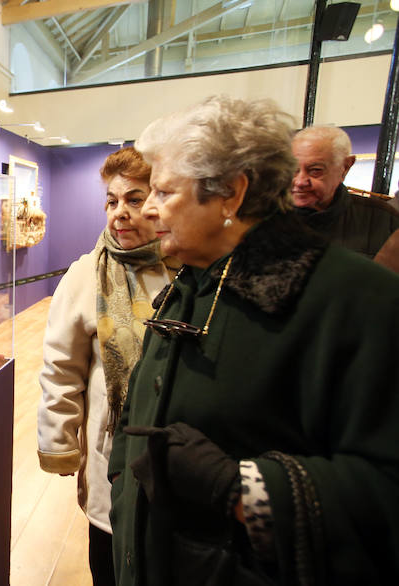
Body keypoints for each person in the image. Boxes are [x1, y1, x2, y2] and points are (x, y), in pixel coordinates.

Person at [109, 96, 399, 586]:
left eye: (164, 192)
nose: (149, 209)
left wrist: (240, 490)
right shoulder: (196, 279)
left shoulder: (355, 300)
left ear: (231, 194)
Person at [37, 147, 173, 586]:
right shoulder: (85, 276)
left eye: (134, 199)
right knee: (110, 559)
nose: (120, 213)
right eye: (112, 202)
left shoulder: (191, 270)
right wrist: (58, 442)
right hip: (111, 450)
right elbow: (61, 368)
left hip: (178, 452)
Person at [291, 125, 399, 258]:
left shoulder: (384, 221)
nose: (300, 181)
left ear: (345, 167)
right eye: (293, 169)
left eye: (315, 170)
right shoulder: (268, 216)